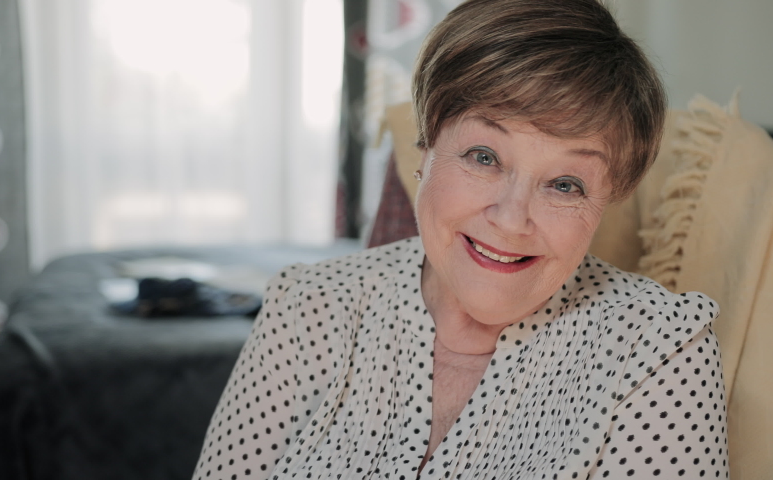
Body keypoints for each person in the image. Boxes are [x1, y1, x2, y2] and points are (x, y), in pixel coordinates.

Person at [192, 0, 728, 478]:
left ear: (608, 198)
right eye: (484, 157)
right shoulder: (308, 306)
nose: (512, 219)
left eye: (565, 185)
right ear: (424, 146)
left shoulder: (661, 351)